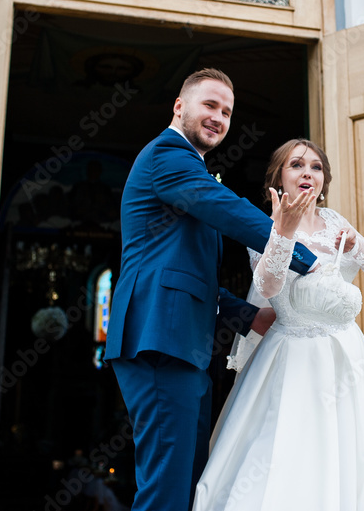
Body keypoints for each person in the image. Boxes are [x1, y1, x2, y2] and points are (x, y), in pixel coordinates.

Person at [104, 69, 319, 511]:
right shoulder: (168, 155)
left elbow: (189, 275)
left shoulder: (188, 169)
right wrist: (301, 252)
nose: (219, 117)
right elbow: (224, 207)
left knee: (185, 486)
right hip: (160, 339)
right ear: (179, 107)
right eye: (210, 105)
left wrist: (250, 316)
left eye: (226, 111)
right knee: (166, 491)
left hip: (181, 343)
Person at [192, 139, 364, 511]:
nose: (307, 172)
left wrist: (356, 243)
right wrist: (284, 233)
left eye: (316, 167)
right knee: (287, 449)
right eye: (296, 165)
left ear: (324, 179)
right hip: (292, 356)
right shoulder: (263, 227)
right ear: (277, 180)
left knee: (348, 450)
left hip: (347, 357)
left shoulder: (336, 222)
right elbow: (267, 286)